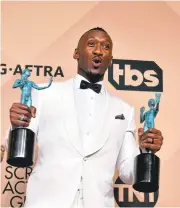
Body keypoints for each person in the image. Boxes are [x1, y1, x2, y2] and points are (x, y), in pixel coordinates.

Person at [7, 27, 163, 208]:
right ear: (76, 53)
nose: (98, 50)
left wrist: (145, 151)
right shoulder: (44, 94)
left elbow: (128, 174)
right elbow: (20, 147)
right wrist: (17, 124)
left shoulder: (124, 110)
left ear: (110, 60)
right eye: (91, 44)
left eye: (106, 47)